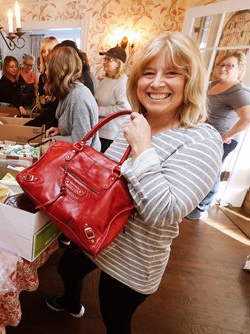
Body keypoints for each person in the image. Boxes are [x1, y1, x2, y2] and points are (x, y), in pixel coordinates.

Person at [45, 32, 223, 334]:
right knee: (67, 267)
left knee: (114, 317)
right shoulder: (137, 122)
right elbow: (109, 178)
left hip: (134, 257)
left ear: (190, 80)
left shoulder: (203, 139)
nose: (156, 83)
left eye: (171, 74)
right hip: (97, 234)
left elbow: (163, 213)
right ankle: (71, 303)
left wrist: (143, 148)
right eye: (148, 73)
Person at [186, 51, 250, 220]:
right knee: (197, 169)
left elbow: (247, 119)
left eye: (229, 65)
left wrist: (226, 136)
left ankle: (202, 208)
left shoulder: (238, 92)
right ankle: (191, 201)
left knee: (211, 171)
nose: (223, 68)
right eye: (221, 64)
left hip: (222, 140)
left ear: (239, 69)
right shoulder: (211, 85)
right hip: (203, 136)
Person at [44, 46, 99, 147]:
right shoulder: (69, 93)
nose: (46, 72)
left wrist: (53, 140)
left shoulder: (78, 97)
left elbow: (82, 142)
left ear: (57, 70)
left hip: (82, 162)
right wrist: (60, 130)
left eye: (48, 68)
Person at [95, 46, 131, 152]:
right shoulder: (106, 79)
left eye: (108, 59)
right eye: (104, 59)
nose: (105, 62)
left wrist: (98, 110)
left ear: (118, 63)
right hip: (99, 130)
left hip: (110, 134)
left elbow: (124, 109)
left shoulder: (122, 82)